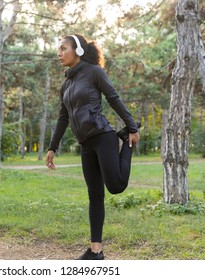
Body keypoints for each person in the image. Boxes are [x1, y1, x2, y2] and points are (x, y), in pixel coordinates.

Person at [46, 34, 141, 260]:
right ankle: (96, 251)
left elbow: (113, 97)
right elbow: (63, 117)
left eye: (63, 49)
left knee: (116, 186)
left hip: (103, 136)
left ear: (77, 50)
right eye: (58, 49)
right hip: (86, 144)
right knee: (95, 196)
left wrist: (131, 126)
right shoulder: (66, 84)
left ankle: (126, 143)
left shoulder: (94, 73)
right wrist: (52, 147)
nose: (59, 53)